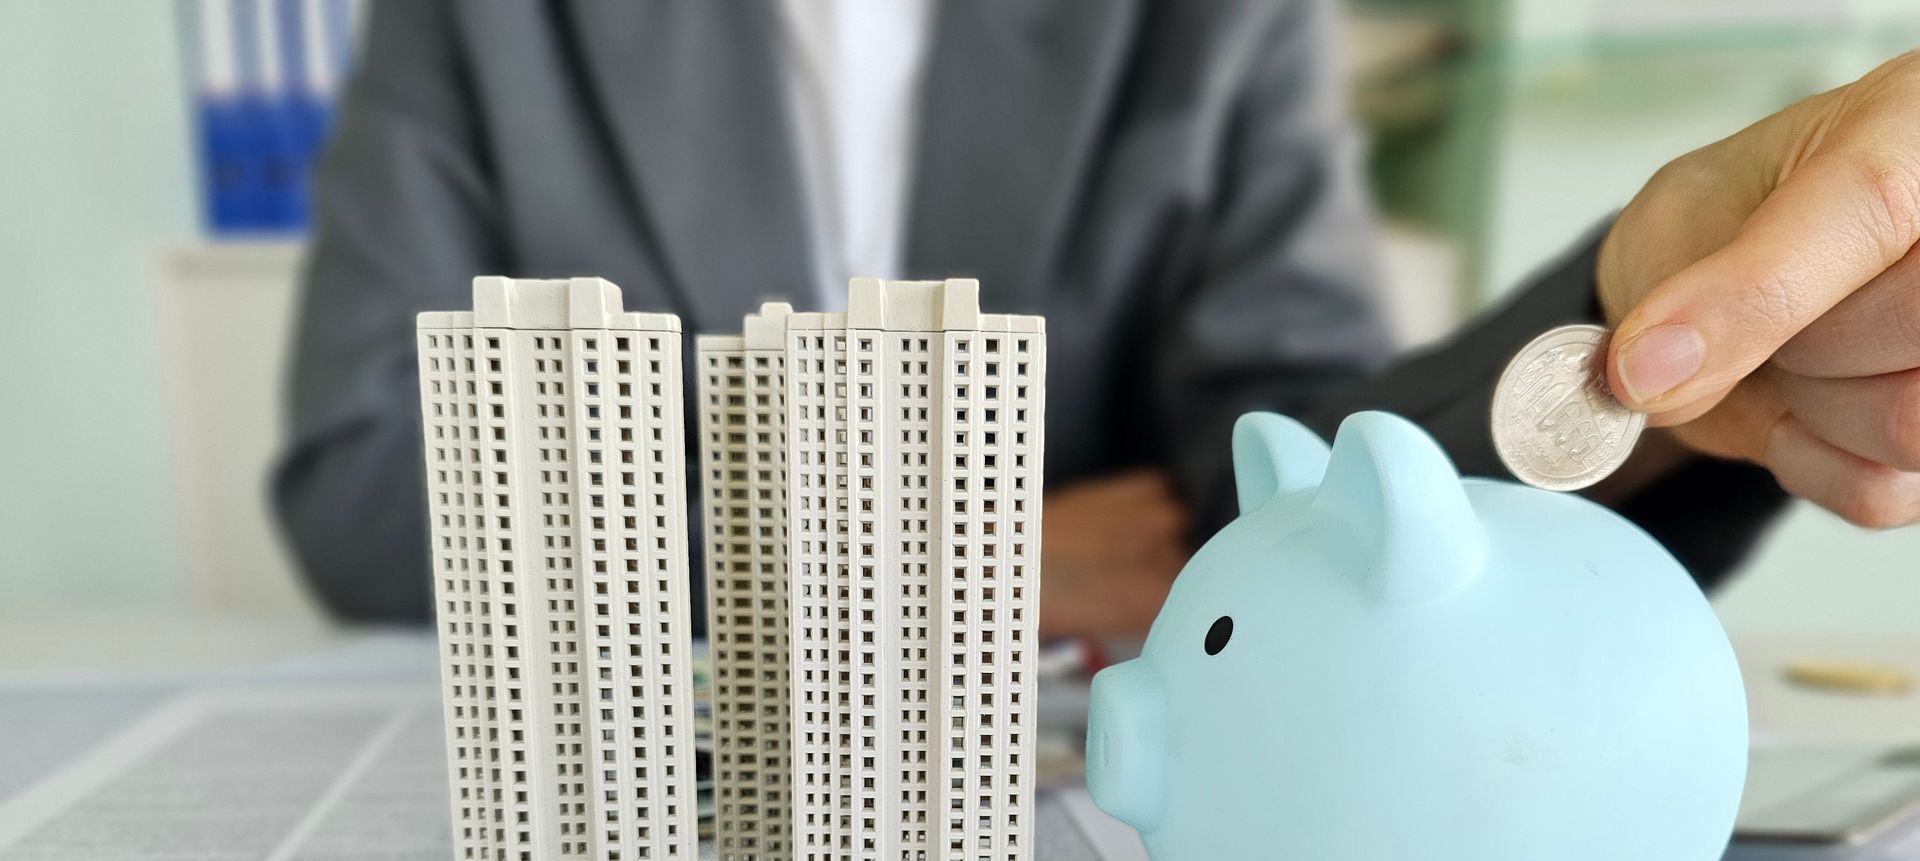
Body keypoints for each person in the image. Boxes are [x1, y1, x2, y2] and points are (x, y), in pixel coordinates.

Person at [271, 0, 1920, 636]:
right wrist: (959, 554)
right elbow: (365, 489)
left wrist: (1634, 324)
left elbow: (1286, 454)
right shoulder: (479, 27)